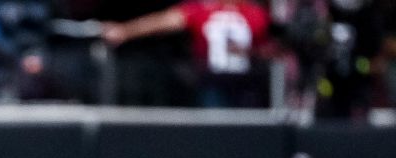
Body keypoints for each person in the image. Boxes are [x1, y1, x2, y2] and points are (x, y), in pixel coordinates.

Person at [101, 0, 271, 108]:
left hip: (237, 85)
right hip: (225, 84)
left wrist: (125, 30)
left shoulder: (206, 11)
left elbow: (162, 22)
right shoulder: (254, 14)